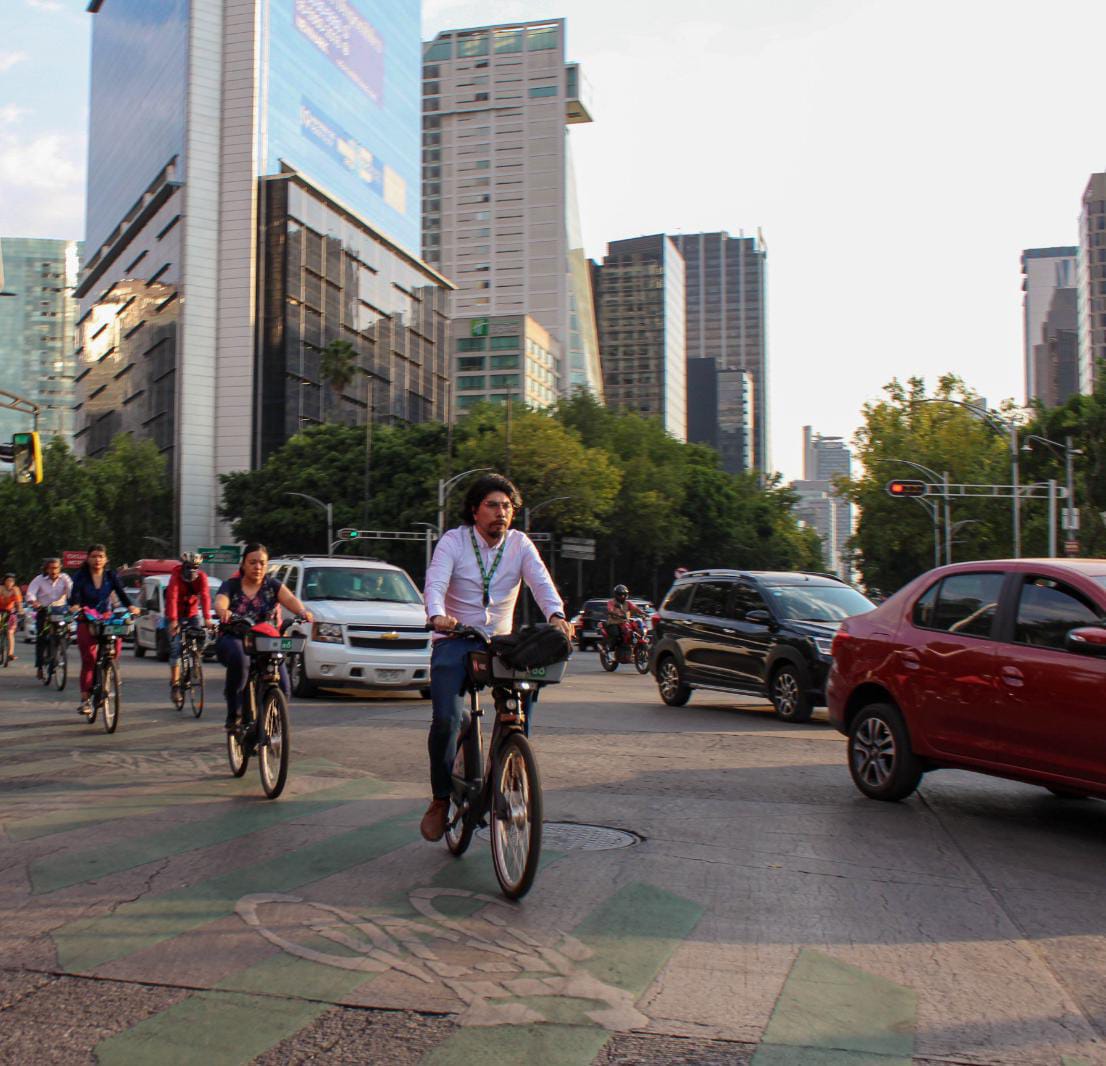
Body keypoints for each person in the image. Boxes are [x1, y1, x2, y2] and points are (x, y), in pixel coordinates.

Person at [421, 473, 573, 843]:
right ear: (475, 510)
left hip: (501, 643)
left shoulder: (520, 545)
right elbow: (436, 583)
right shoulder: (453, 542)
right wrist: (438, 614)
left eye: (506, 506)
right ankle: (441, 798)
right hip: (456, 639)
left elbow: (541, 583)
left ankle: (513, 762)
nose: (500, 513)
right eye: (492, 505)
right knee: (447, 718)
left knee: (523, 700)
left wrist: (557, 616)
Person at [213, 543, 312, 734]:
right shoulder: (231, 585)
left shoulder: (272, 586)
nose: (257, 567)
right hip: (236, 638)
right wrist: (223, 611)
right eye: (252, 562)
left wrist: (302, 611)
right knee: (240, 661)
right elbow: (220, 601)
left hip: (266, 641)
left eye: (262, 563)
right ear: (243, 565)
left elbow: (290, 599)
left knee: (283, 685)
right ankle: (235, 715)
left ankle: (270, 724)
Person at [68, 544, 139, 716]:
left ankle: (109, 671)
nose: (97, 559)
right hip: (87, 619)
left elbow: (121, 594)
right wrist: (76, 607)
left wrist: (131, 606)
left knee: (115, 647)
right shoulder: (81, 576)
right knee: (89, 659)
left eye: (100, 556)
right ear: (88, 558)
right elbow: (75, 597)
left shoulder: (110, 576)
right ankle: (85, 699)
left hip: (106, 618)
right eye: (94, 556)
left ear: (106, 559)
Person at [165, 551, 212, 700]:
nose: (192, 570)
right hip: (175, 615)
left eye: (195, 567)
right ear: (183, 566)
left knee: (202, 636)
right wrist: (173, 620)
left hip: (192, 614)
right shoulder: (176, 576)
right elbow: (172, 597)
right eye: (189, 567)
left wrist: (207, 619)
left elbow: (205, 596)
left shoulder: (202, 578)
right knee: (175, 648)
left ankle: (195, 659)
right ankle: (175, 684)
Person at [27, 557, 73, 678]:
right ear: (46, 569)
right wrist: (34, 602)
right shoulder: (39, 579)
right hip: (44, 611)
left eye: (56, 568)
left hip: (61, 611)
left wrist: (75, 602)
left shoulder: (65, 578)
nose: (53, 571)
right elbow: (30, 593)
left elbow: (71, 591)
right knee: (41, 638)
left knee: (68, 634)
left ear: (60, 568)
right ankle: (40, 666)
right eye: (51, 568)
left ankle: (60, 650)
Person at [605, 584, 644, 648]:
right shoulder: (611, 602)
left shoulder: (628, 603)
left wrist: (643, 613)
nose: (622, 596)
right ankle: (609, 648)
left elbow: (635, 608)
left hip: (625, 623)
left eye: (624, 594)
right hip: (614, 623)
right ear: (616, 595)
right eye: (620, 594)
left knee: (634, 631)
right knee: (616, 635)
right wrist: (615, 613)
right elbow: (610, 609)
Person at [0, 573, 23, 662]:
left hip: (11, 612)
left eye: (12, 581)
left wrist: (20, 610)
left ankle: (10, 653)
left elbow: (19, 602)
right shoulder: (1, 588)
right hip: (0, 610)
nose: (10, 583)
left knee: (10, 632)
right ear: (4, 582)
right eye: (8, 581)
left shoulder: (15, 590)